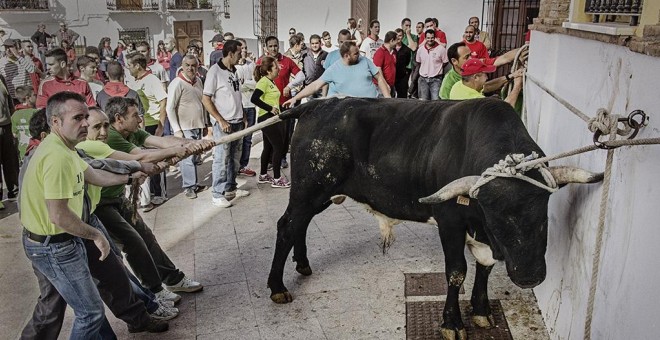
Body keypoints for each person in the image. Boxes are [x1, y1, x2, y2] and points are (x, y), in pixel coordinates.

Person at [19, 107, 171, 339]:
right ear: (54, 125)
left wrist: (130, 177)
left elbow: (94, 173)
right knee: (78, 310)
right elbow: (58, 215)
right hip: (56, 242)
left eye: (85, 118)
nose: (86, 125)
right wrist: (96, 235)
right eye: (78, 119)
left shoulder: (65, 149)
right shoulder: (54, 157)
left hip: (76, 230)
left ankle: (139, 318)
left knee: (112, 276)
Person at [90, 96, 209, 300]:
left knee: (146, 238)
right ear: (119, 119)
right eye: (135, 115)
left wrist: (194, 143)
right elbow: (142, 157)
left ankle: (172, 279)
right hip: (100, 204)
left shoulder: (132, 131)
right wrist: (180, 150)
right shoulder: (109, 137)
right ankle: (153, 291)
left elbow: (162, 141)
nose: (140, 119)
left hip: (117, 197)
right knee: (132, 243)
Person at [202, 40, 250, 208]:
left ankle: (230, 188)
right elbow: (206, 98)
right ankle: (217, 193)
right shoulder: (214, 72)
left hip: (237, 121)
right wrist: (220, 120)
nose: (241, 55)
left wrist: (243, 114)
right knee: (221, 159)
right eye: (239, 52)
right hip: (224, 124)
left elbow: (236, 95)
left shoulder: (234, 70)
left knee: (234, 159)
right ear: (230, 53)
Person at [124, 52, 168, 206]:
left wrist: (160, 127)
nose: (127, 68)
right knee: (144, 159)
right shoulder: (134, 82)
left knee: (157, 159)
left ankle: (160, 193)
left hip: (153, 124)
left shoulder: (152, 80)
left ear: (137, 65)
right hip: (139, 126)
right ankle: (148, 193)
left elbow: (163, 102)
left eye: (129, 65)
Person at [285, 41, 390, 102]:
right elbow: (315, 85)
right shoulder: (334, 69)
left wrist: (388, 99)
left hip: (373, 105)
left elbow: (379, 78)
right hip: (352, 112)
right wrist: (296, 98)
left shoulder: (365, 60)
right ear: (346, 56)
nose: (360, 55)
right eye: (356, 54)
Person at [166, 55, 208, 199]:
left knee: (195, 157)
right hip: (184, 127)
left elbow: (202, 104)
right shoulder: (177, 83)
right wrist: (177, 129)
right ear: (182, 66)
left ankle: (194, 184)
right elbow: (170, 108)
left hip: (197, 125)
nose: (190, 68)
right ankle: (189, 186)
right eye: (187, 65)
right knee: (187, 158)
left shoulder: (198, 82)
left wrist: (205, 124)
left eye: (193, 66)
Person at [250, 56, 290, 188]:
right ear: (268, 70)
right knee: (278, 147)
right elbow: (254, 98)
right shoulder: (263, 82)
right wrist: (270, 108)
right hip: (266, 118)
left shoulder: (270, 82)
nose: (278, 69)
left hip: (271, 118)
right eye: (276, 67)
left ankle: (263, 175)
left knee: (268, 147)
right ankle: (277, 178)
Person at [439, 42, 524, 100]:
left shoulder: (476, 64)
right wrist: (517, 85)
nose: (471, 59)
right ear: (454, 61)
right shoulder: (448, 82)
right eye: (466, 57)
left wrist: (520, 52)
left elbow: (486, 87)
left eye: (471, 55)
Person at [449, 58, 523, 108]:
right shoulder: (477, 101)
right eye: (485, 74)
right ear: (476, 77)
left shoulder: (458, 85)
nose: (487, 77)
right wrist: (517, 85)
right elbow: (506, 109)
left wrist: (510, 76)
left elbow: (487, 86)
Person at [235, 37, 257, 177]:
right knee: (238, 139)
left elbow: (256, 83)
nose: (244, 51)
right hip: (239, 106)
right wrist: (246, 85)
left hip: (251, 105)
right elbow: (237, 87)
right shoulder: (234, 67)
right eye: (241, 48)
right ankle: (235, 166)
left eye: (245, 48)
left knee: (248, 138)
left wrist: (246, 84)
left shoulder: (251, 65)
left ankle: (244, 165)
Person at [0, 73, 19, 206]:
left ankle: (14, 190)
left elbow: (9, 102)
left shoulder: (1, 78)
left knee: (11, 161)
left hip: (7, 125)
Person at [416, 29, 448, 100]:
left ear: (435, 38)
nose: (430, 40)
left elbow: (445, 62)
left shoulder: (441, 49)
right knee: (423, 102)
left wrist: (436, 69)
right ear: (425, 38)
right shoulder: (420, 49)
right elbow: (418, 62)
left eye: (432, 38)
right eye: (428, 38)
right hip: (423, 79)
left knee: (436, 102)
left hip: (436, 79)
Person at [0, 38, 36, 102]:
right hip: (11, 97)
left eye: (10, 47)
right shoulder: (2, 62)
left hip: (26, 96)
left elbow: (32, 70)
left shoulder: (25, 58)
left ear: (18, 48)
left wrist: (17, 56)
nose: (8, 50)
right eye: (6, 48)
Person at [11, 85, 37, 161]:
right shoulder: (36, 113)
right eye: (34, 95)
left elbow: (14, 134)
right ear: (27, 98)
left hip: (23, 152)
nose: (36, 97)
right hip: (36, 150)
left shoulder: (14, 115)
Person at [301, 34, 328, 98]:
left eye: (316, 43)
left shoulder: (326, 55)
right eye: (312, 43)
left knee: (321, 107)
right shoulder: (305, 55)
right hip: (309, 86)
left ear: (320, 43)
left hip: (321, 87)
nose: (314, 45)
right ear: (310, 44)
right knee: (309, 107)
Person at [372, 31, 397, 97]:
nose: (397, 43)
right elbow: (378, 70)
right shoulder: (380, 52)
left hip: (391, 85)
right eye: (396, 40)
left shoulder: (393, 53)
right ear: (392, 40)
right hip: (381, 87)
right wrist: (385, 85)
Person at [393, 29, 412, 98]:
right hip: (392, 76)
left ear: (403, 36)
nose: (398, 37)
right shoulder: (391, 48)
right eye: (396, 35)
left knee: (402, 97)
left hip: (402, 77)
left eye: (400, 35)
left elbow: (407, 61)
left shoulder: (406, 49)